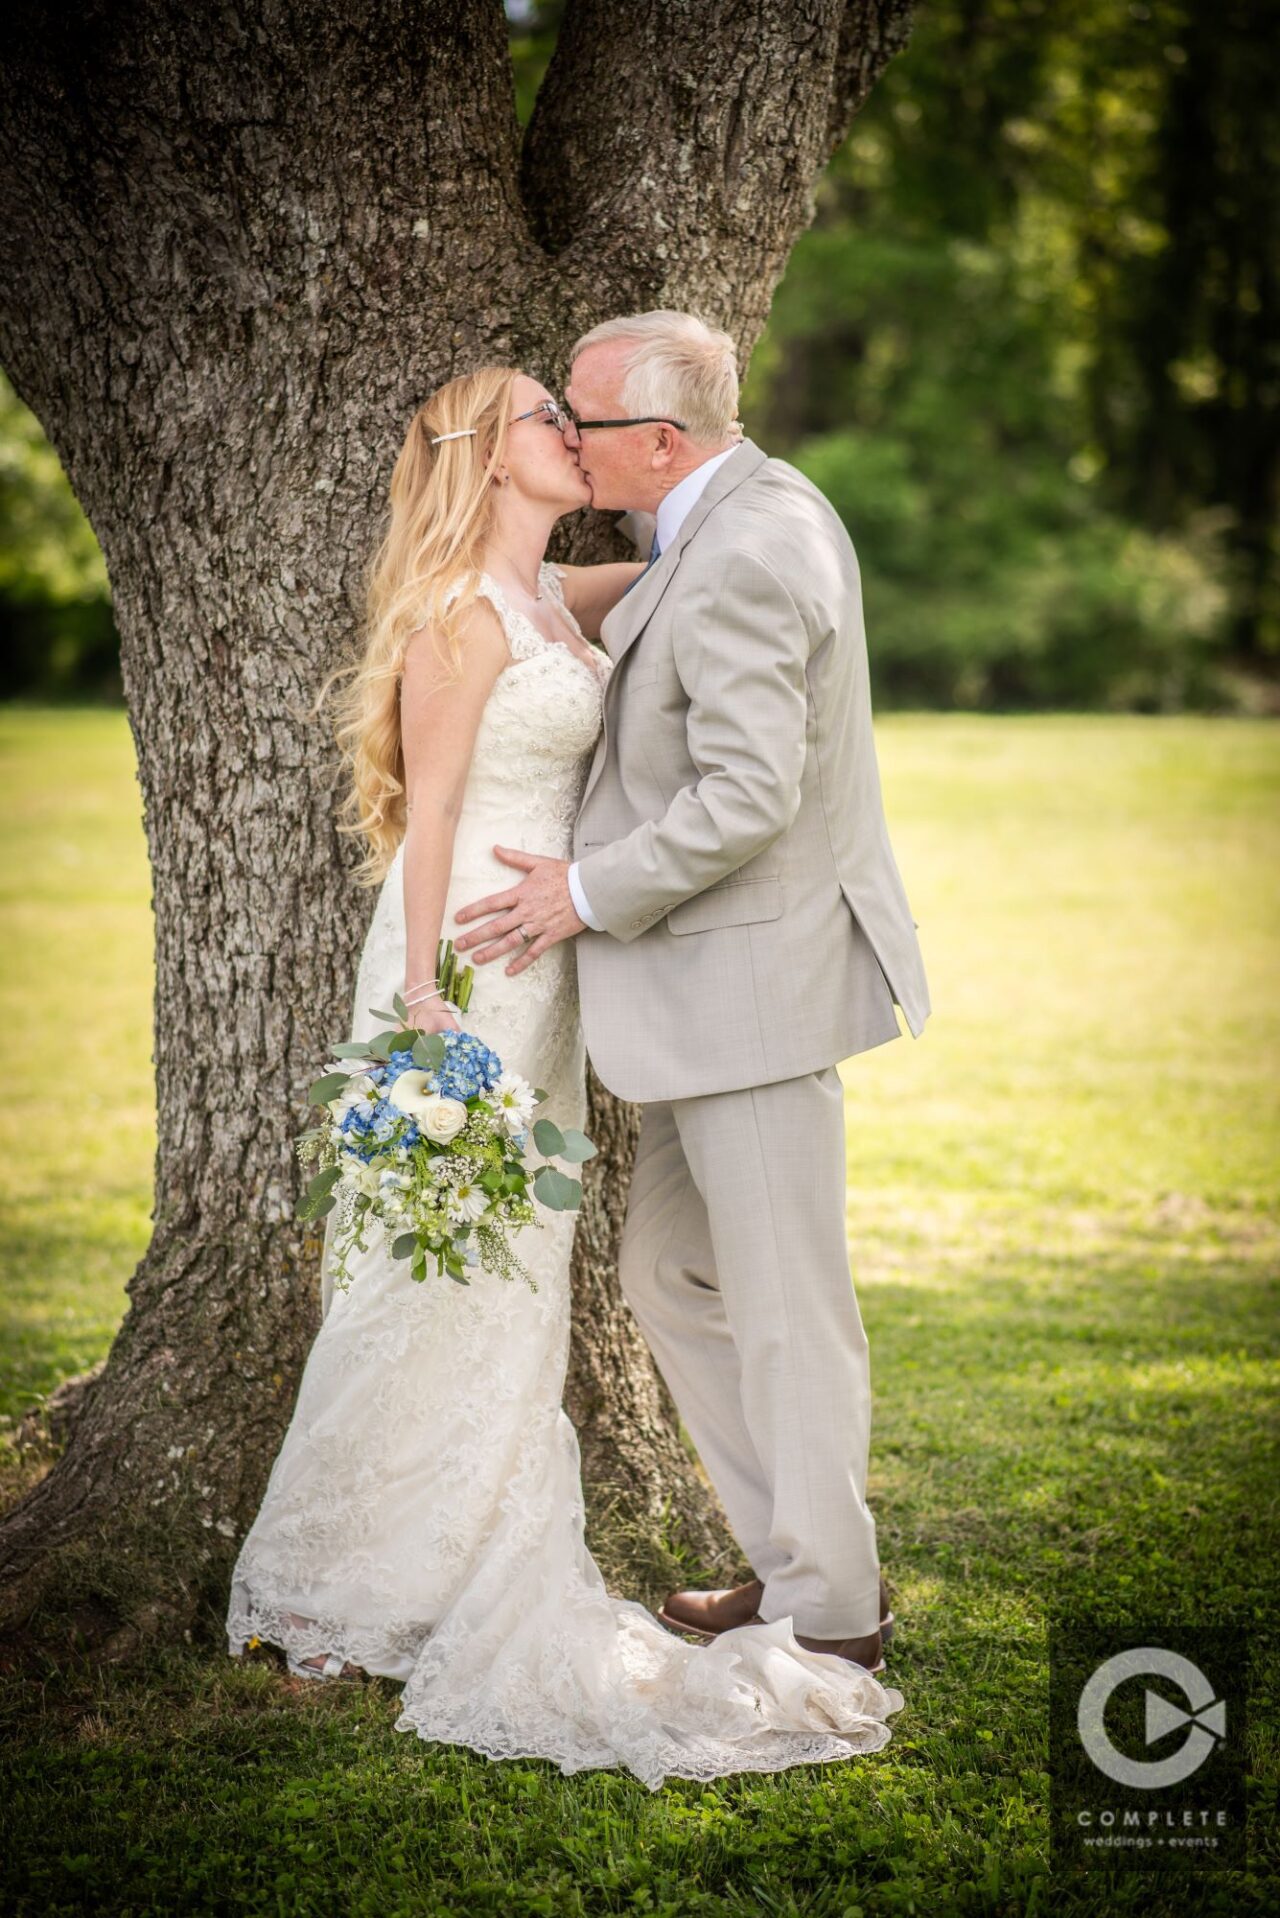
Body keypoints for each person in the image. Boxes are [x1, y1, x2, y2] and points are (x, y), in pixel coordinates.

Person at [226, 358, 905, 1789]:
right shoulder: (457, 618)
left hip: (553, 971)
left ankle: (461, 1542)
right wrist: (422, 1003)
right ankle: (333, 1579)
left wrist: (745, 486)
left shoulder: (564, 592)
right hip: (468, 956)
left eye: (572, 410)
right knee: (421, 1268)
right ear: (486, 454)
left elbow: (682, 569)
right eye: (543, 415)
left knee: (514, 1269)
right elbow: (431, 820)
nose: (566, 434)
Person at [452, 311, 931, 1675]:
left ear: (660, 440)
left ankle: (834, 1612)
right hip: (700, 1005)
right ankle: (797, 1559)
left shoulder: (754, 551)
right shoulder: (724, 519)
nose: (568, 439)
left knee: (789, 1307)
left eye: (585, 423)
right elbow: (653, 653)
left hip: (755, 995)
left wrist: (580, 894)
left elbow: (746, 795)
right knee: (670, 1275)